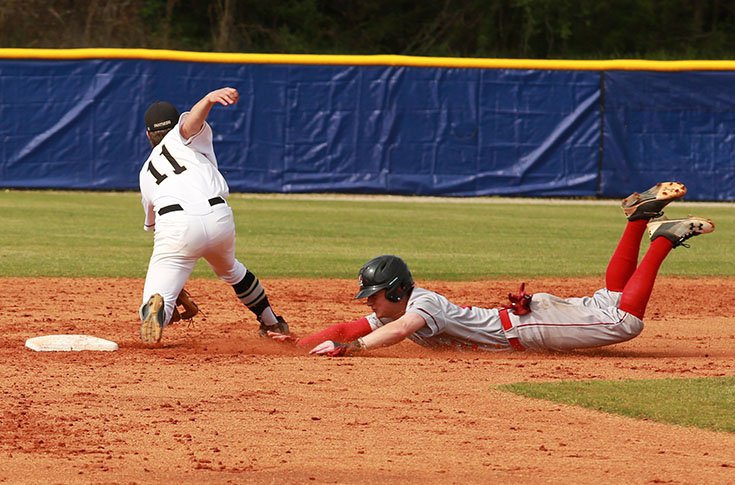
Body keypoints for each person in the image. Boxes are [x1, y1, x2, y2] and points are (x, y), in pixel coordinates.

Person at [269, 182, 713, 355]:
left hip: (532, 328)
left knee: (624, 321)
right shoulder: (396, 309)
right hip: (528, 321)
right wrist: (300, 344)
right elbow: (349, 325)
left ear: (398, 290)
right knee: (611, 299)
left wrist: (356, 350)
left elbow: (395, 334)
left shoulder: (419, 307)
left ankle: (662, 240)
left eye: (376, 295)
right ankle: (638, 220)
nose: (371, 304)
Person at [138, 87, 289, 344]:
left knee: (158, 294)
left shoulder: (145, 172)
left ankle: (160, 310)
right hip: (219, 216)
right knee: (231, 269)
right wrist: (208, 99)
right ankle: (272, 321)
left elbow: (151, 224)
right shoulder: (182, 136)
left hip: (175, 226)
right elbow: (191, 123)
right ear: (175, 124)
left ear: (148, 134)